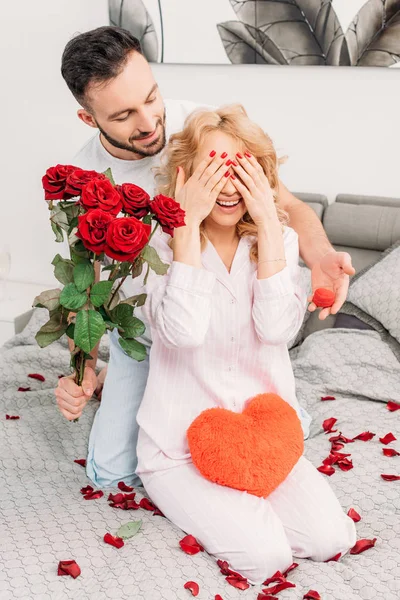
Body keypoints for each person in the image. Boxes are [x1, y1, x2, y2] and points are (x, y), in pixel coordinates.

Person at [55, 26, 355, 489]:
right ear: (87, 117)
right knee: (113, 473)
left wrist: (321, 255)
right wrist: (84, 369)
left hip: (222, 325)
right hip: (150, 331)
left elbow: (286, 204)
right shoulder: (83, 182)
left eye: (152, 97)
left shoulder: (200, 127)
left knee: (266, 439)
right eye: (124, 115)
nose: (150, 122)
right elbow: (88, 288)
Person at [130, 104, 357, 585]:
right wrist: (186, 228)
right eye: (214, 170)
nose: (228, 185)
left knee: (331, 539)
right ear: (186, 175)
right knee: (263, 556)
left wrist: (272, 226)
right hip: (180, 449)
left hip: (265, 437)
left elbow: (277, 330)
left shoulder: (279, 241)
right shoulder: (156, 248)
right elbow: (182, 332)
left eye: (241, 170)